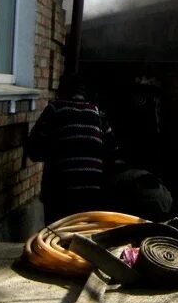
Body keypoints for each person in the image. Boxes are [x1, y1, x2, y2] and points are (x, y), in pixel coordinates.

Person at [27, 74, 122, 225]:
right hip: (93, 189)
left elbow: (34, 149)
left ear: (61, 90)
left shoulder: (55, 109)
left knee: (56, 233)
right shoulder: (97, 113)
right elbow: (113, 149)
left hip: (61, 190)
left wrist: (57, 151)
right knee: (83, 233)